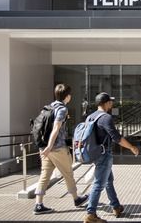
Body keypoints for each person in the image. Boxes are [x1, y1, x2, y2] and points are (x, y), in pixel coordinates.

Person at [84, 92, 139, 223]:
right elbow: (117, 138)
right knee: (98, 184)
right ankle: (90, 214)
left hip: (96, 153)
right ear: (106, 103)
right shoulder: (106, 118)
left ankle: (116, 206)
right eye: (110, 101)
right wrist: (132, 147)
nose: (112, 103)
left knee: (108, 180)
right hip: (104, 154)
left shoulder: (90, 117)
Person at [34, 83, 88, 215]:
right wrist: (50, 147)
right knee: (68, 172)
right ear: (67, 96)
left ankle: (38, 204)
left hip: (44, 147)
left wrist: (45, 147)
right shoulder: (62, 109)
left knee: (45, 175)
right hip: (56, 148)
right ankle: (76, 199)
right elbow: (56, 129)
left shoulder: (48, 107)